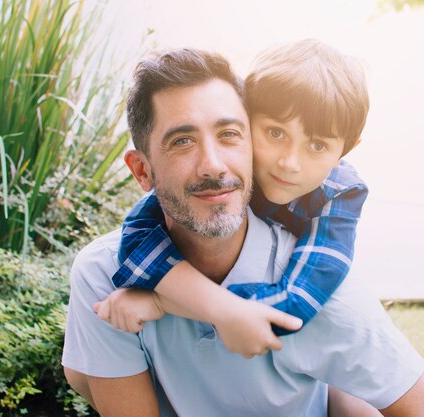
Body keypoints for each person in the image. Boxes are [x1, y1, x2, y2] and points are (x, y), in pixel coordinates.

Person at [62, 47, 424, 417]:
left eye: (229, 134)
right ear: (142, 170)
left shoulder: (325, 282)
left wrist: (167, 303)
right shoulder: (105, 274)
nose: (212, 165)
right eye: (182, 141)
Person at [97, 39, 370, 359]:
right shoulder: (228, 169)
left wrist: (164, 301)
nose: (289, 162)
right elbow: (138, 240)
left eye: (318, 146)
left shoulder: (339, 198)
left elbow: (296, 306)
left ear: (345, 151)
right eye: (276, 133)